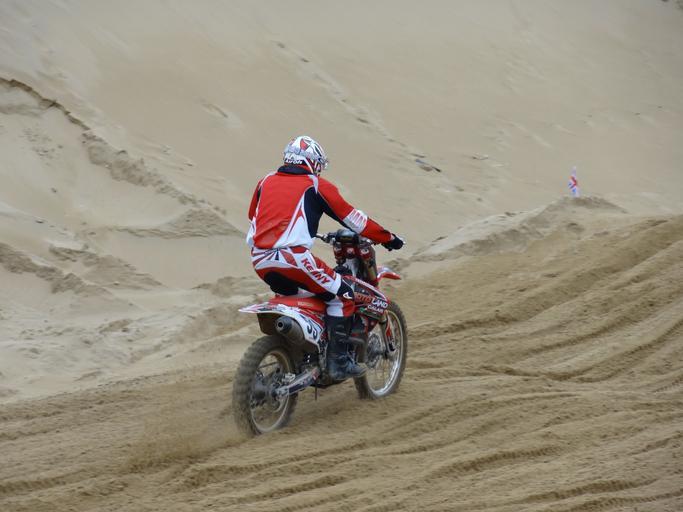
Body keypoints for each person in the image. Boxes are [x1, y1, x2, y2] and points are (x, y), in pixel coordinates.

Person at [247, 135, 404, 380]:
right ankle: (338, 363)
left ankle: (299, 355)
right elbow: (355, 220)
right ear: (311, 162)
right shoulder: (315, 184)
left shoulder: (264, 181)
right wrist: (388, 238)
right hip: (293, 259)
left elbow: (254, 216)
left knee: (304, 297)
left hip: (260, 259)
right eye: (318, 164)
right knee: (344, 295)